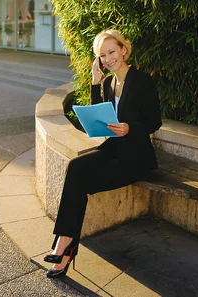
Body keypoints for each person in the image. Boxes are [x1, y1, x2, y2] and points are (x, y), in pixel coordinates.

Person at [45, 29, 162, 278]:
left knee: (80, 182)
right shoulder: (109, 82)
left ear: (124, 49)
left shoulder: (142, 81)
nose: (108, 59)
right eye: (103, 55)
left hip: (136, 158)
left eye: (112, 52)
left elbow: (154, 121)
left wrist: (131, 128)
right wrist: (96, 81)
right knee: (76, 167)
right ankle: (65, 241)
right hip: (113, 149)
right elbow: (99, 112)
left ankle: (64, 247)